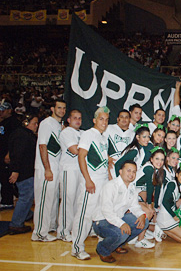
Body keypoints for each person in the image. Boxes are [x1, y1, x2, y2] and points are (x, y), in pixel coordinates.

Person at [71, 106, 110, 260]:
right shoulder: (88, 134)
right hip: (91, 181)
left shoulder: (103, 137)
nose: (104, 122)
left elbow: (104, 161)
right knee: (84, 215)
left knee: (101, 213)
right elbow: (81, 157)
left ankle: (102, 245)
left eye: (106, 120)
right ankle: (77, 247)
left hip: (102, 181)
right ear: (94, 120)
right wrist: (88, 180)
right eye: (101, 119)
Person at [92, 161, 149, 263]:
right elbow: (107, 211)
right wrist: (121, 224)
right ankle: (102, 249)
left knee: (144, 222)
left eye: (134, 172)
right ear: (120, 171)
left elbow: (134, 206)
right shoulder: (111, 186)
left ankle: (117, 245)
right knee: (121, 233)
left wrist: (142, 215)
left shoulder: (131, 187)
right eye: (128, 170)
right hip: (102, 221)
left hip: (118, 218)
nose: (131, 174)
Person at [32, 99, 66, 242]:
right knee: (44, 200)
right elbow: (42, 146)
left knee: (51, 200)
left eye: (64, 108)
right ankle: (39, 232)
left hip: (55, 167)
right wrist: (47, 169)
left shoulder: (60, 125)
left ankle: (49, 227)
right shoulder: (46, 124)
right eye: (59, 108)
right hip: (46, 168)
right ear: (53, 109)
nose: (62, 111)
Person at [7, 114, 38, 234]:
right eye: (34, 123)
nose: (36, 126)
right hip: (24, 172)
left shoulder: (21, 133)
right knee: (26, 197)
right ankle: (16, 224)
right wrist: (15, 171)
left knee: (26, 197)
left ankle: (27, 215)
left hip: (24, 171)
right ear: (26, 123)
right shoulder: (22, 136)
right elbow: (17, 154)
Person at [57, 110, 83, 242]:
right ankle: (62, 230)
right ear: (69, 120)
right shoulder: (66, 132)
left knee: (77, 201)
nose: (77, 120)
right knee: (68, 200)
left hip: (80, 170)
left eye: (79, 118)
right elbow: (75, 150)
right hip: (68, 169)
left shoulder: (82, 133)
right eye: (75, 118)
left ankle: (73, 228)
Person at [156, 163, 181, 243]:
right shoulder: (172, 184)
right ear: (177, 174)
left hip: (170, 214)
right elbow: (165, 202)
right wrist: (174, 216)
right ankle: (161, 228)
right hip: (165, 216)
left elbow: (173, 203)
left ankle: (163, 230)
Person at [0, 101, 21, 210]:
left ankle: (8, 200)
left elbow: (14, 141)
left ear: (9, 110)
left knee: (6, 178)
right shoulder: (3, 122)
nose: (1, 113)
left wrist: (9, 153)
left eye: (3, 110)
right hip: (1, 153)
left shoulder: (13, 123)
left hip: (8, 154)